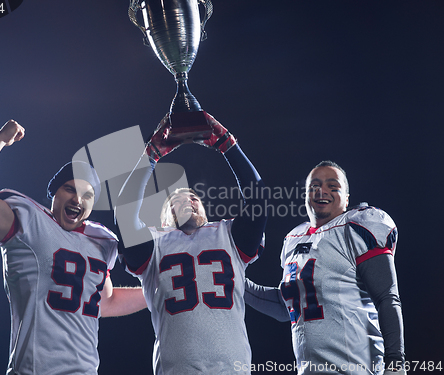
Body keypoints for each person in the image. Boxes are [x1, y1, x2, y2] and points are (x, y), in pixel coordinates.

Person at [0, 120, 147, 375]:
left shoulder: (101, 241)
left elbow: (107, 301)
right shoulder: (27, 219)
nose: (78, 199)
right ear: (54, 193)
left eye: (87, 195)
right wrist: (0, 141)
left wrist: (157, 291)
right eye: (70, 189)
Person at [114, 113, 267, 375]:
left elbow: (257, 199)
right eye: (177, 200)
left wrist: (228, 145)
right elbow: (125, 214)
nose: (188, 200)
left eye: (194, 198)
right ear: (163, 218)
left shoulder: (226, 233)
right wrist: (150, 155)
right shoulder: (155, 243)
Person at [244, 161, 405, 375]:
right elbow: (289, 308)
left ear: (346, 198)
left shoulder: (356, 228)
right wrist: (239, 282)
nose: (322, 191)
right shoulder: (293, 239)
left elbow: (387, 298)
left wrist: (395, 363)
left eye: (333, 186)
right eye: (314, 186)